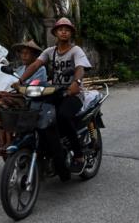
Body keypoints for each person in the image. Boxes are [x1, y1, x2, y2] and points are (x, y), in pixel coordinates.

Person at [18, 17, 91, 173]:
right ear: (56, 33)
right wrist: (20, 80)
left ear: (71, 33)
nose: (64, 32)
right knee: (36, 111)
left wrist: (76, 83)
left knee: (63, 116)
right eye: (60, 29)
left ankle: (78, 155)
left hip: (72, 94)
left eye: (67, 30)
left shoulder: (76, 51)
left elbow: (80, 68)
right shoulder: (49, 51)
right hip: (55, 92)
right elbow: (34, 65)